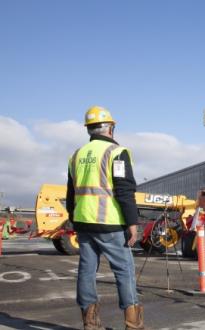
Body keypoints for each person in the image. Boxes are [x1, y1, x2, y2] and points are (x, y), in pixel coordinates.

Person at [66, 106, 144, 330]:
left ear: (89, 129)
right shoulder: (117, 153)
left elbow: (70, 193)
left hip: (84, 223)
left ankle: (90, 324)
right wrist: (132, 223)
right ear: (110, 128)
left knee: (86, 271)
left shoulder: (76, 156)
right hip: (109, 224)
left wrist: (73, 217)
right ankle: (133, 325)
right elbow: (124, 191)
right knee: (124, 271)